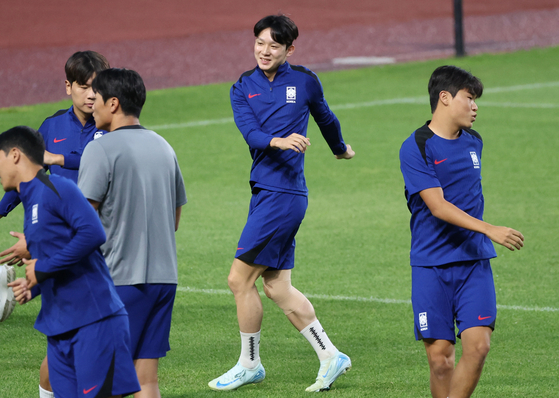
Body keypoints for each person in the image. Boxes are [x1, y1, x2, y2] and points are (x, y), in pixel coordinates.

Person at [208, 14, 355, 393]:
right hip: (264, 193)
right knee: (276, 287)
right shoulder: (242, 86)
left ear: (290, 49)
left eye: (274, 45)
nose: (264, 50)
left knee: (238, 279)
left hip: (285, 195)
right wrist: (278, 140)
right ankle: (330, 356)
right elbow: (251, 134)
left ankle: (249, 363)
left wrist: (339, 149)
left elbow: (326, 118)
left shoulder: (304, 80)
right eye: (260, 43)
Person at [399, 65, 524, 398]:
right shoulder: (416, 147)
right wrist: (489, 229)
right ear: (445, 98)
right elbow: (437, 207)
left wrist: (482, 236)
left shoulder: (475, 142)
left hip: (473, 262)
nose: (475, 106)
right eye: (469, 98)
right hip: (430, 265)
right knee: (440, 360)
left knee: (479, 346)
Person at [0, 50, 110, 398]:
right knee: (66, 334)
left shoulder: (110, 127)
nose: (92, 95)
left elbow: (98, 162)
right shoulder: (51, 127)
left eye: (97, 87)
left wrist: (60, 158)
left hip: (97, 239)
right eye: (84, 87)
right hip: (60, 240)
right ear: (68, 87)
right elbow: (29, 177)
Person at [0, 126, 140, 398]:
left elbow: (93, 233)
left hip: (95, 323)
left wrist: (41, 268)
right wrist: (33, 284)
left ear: (15, 155)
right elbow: (57, 258)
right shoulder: (31, 202)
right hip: (59, 329)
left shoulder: (55, 187)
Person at [77, 68, 187, 398]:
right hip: (164, 280)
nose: (90, 105)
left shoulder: (101, 149)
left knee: (98, 380)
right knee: (146, 379)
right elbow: (175, 218)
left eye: (94, 98)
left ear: (113, 103)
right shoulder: (164, 146)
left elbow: (83, 222)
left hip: (121, 280)